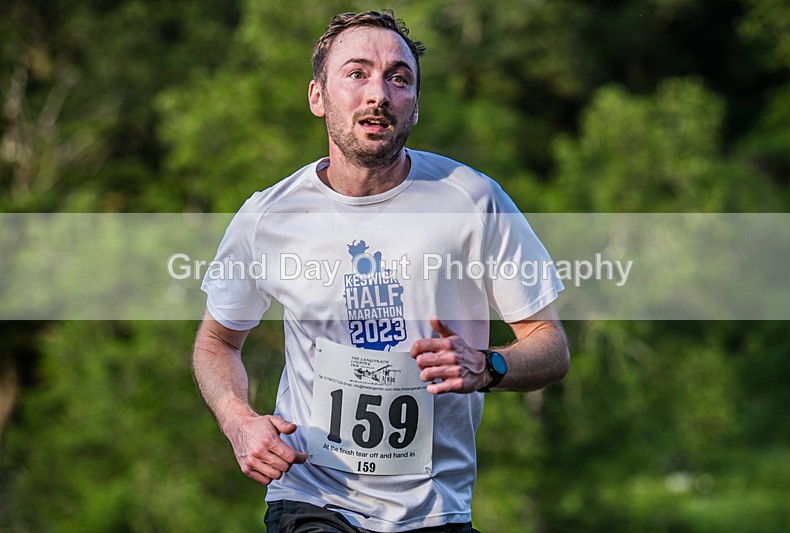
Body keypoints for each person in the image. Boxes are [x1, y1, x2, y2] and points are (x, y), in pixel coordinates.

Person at [192, 9, 569, 533]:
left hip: (434, 511)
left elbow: (550, 344)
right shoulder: (267, 217)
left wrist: (487, 367)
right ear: (317, 97)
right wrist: (239, 421)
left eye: (399, 78)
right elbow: (217, 343)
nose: (379, 93)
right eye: (357, 73)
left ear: (414, 107)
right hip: (312, 496)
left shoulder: (471, 200)